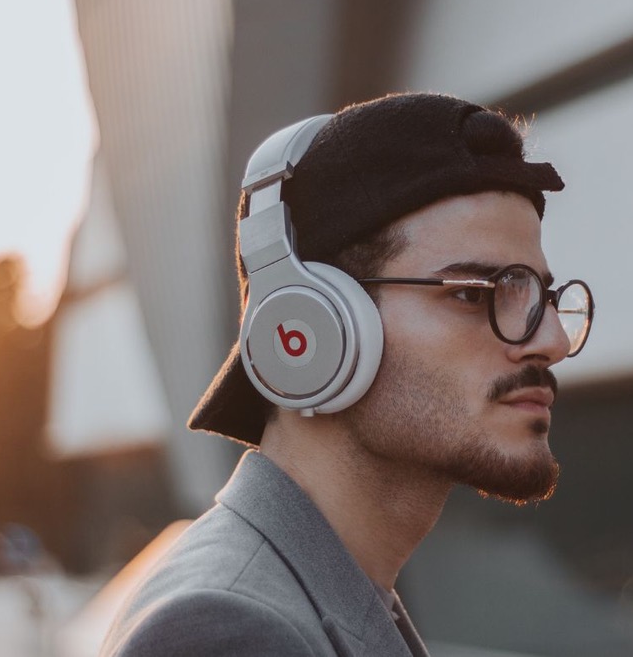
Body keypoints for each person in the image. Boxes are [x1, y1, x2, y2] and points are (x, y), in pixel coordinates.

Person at [100, 93, 595, 656]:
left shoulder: (326, 597)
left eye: (541, 297)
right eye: (474, 293)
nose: (551, 341)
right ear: (310, 332)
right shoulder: (227, 630)